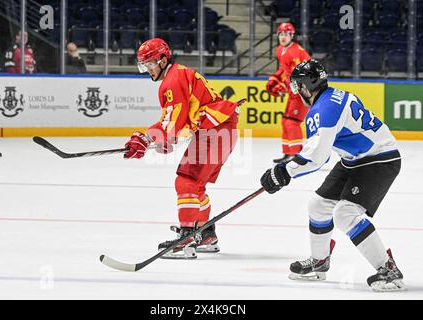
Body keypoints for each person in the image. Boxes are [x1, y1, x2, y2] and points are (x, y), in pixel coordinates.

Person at [260, 59, 405, 292]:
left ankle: (388, 270)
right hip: (357, 159)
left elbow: (317, 157)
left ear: (307, 86)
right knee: (318, 205)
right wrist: (285, 171)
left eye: (298, 86)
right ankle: (319, 262)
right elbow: (319, 153)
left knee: (345, 213)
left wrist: (283, 172)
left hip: (379, 159)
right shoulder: (332, 97)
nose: (297, 92)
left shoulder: (323, 110)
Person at [123, 38, 242, 259]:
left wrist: (145, 138)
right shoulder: (177, 75)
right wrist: (165, 139)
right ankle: (205, 234)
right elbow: (181, 120)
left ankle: (186, 239)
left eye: (149, 64)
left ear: (163, 59)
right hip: (223, 129)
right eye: (144, 65)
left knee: (185, 181)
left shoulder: (172, 81)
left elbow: (171, 123)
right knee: (196, 186)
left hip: (215, 130)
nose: (147, 70)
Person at [266, 22, 310, 164]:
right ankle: (288, 152)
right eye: (281, 34)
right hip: (294, 91)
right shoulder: (281, 50)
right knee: (286, 121)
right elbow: (284, 70)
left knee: (292, 122)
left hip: (304, 91)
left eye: (286, 34)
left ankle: (296, 154)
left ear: (292, 36)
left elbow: (298, 75)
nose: (283, 37)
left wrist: (283, 86)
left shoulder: (296, 52)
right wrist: (274, 79)